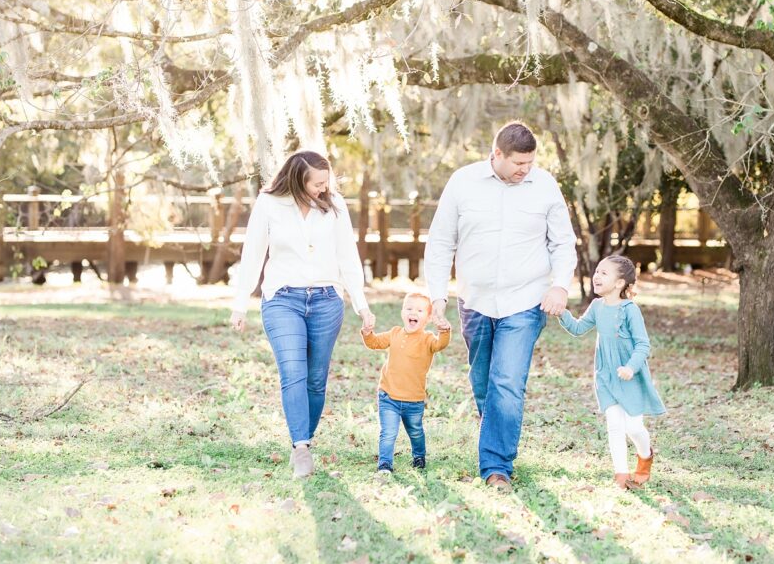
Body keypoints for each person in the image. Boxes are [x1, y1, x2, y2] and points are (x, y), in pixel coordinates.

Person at [424, 121, 577, 491]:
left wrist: (559, 286)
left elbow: (562, 242)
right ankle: (493, 426)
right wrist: (437, 296)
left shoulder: (544, 186)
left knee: (506, 381)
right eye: (517, 163)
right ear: (496, 155)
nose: (525, 170)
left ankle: (496, 467)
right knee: (482, 382)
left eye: (530, 162)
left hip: (526, 300)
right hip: (474, 300)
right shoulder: (462, 182)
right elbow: (442, 241)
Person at [230, 150, 375, 479]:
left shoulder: (335, 206)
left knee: (315, 378)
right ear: (297, 180)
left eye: (327, 182)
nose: (324, 189)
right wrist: (240, 302)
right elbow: (253, 253)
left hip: (326, 299)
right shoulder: (269, 204)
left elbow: (347, 256)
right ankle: (301, 447)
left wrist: (361, 303)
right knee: (293, 370)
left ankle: (303, 439)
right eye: (317, 184)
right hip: (283, 298)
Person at [558, 255, 665, 489]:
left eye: (604, 273)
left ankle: (645, 455)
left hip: (629, 376)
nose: (597, 276)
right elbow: (578, 329)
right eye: (597, 271)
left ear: (619, 283)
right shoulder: (597, 306)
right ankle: (621, 474)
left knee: (634, 428)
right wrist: (561, 313)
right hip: (606, 375)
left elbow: (643, 344)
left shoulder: (630, 310)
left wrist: (630, 367)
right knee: (615, 426)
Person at [361, 293, 451, 475]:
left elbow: (440, 345)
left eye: (419, 310)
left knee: (416, 432)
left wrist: (444, 331)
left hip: (414, 400)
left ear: (428, 318)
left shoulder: (428, 339)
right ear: (403, 313)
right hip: (389, 396)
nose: (413, 313)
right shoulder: (394, 334)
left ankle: (419, 456)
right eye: (409, 308)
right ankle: (385, 464)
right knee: (388, 433)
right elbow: (375, 343)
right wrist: (367, 333)